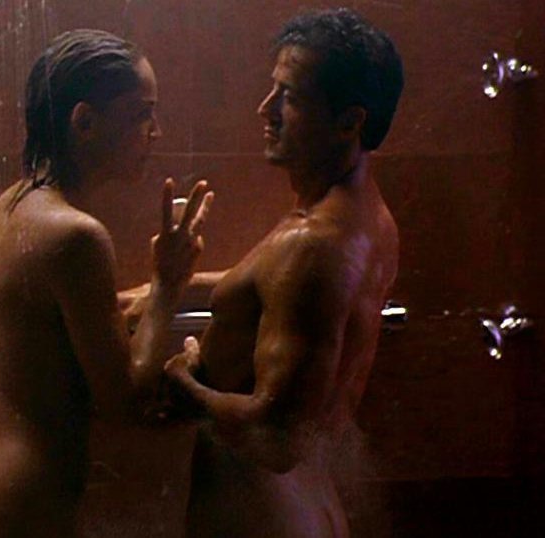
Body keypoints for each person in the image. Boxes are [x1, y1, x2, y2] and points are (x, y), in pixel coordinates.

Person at [0, 29, 212, 537]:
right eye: (141, 114)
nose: (155, 131)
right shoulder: (75, 235)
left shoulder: (8, 209)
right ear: (84, 122)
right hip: (14, 508)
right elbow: (125, 403)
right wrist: (167, 285)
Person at [164, 8, 404, 537]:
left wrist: (186, 386)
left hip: (263, 517)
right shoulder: (364, 218)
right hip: (303, 505)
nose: (265, 109)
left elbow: (276, 441)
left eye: (289, 96)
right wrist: (159, 290)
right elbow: (270, 287)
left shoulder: (313, 246)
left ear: (350, 122)